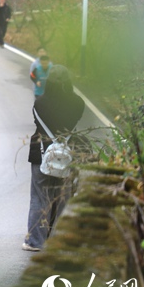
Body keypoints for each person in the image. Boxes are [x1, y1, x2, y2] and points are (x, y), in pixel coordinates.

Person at [23, 65, 85, 252]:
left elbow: (38, 124)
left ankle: (35, 241)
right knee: (63, 196)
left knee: (40, 197)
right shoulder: (78, 103)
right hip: (66, 154)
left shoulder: (40, 103)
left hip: (41, 152)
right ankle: (58, 240)